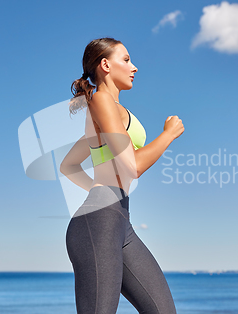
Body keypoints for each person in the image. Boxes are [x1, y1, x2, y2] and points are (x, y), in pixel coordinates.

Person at [60, 37, 184, 314]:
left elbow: (68, 165)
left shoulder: (111, 113)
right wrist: (168, 135)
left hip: (120, 223)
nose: (134, 67)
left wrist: (99, 186)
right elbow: (133, 166)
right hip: (99, 223)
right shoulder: (101, 100)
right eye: (126, 60)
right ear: (105, 65)